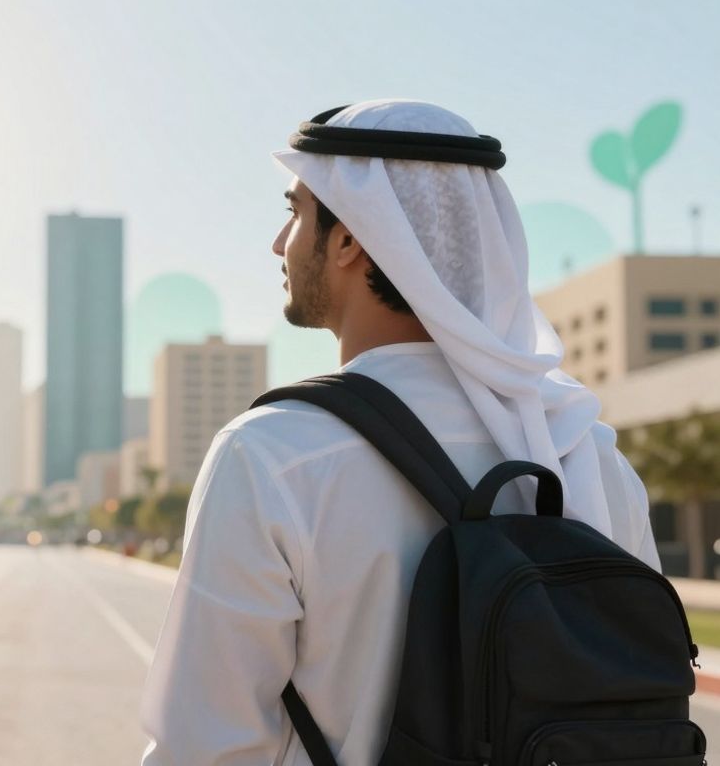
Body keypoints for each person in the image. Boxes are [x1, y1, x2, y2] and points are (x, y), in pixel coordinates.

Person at [139, 100, 660, 765]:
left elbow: (207, 746)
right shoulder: (586, 452)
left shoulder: (274, 456)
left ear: (351, 237)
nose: (280, 242)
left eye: (295, 212)